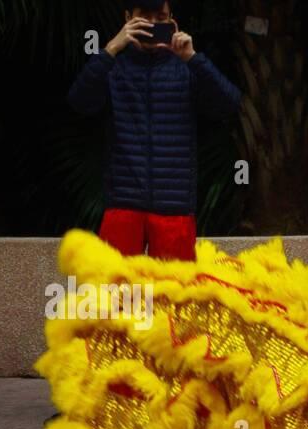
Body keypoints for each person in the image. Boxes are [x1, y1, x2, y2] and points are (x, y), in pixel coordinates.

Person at [67, 1, 241, 261]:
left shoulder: (186, 68)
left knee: (175, 295)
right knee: (117, 295)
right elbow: (79, 102)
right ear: (128, 18)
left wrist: (192, 58)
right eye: (144, 17)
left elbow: (230, 104)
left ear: (172, 20)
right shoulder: (113, 67)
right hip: (123, 205)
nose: (153, 25)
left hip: (175, 207)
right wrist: (112, 48)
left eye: (160, 17)